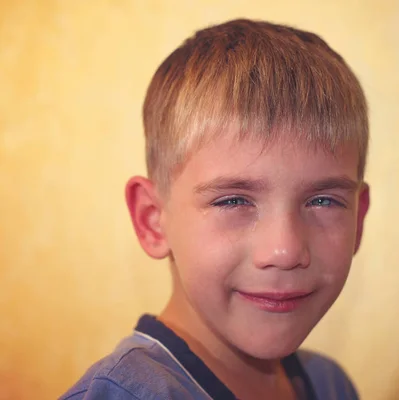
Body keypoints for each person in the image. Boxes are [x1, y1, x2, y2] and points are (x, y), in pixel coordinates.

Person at [60, 18, 370, 400]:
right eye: (233, 200)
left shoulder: (331, 385)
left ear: (358, 219)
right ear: (153, 220)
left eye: (322, 200)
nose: (286, 251)